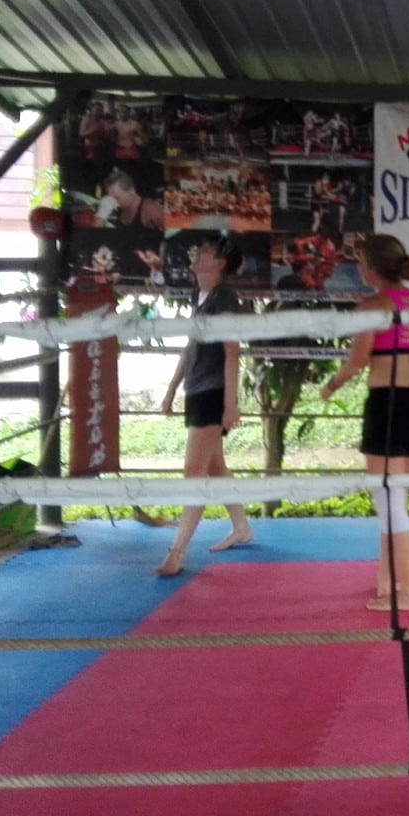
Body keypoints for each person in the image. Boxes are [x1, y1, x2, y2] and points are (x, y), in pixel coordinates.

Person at [320, 235, 409, 611]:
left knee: (389, 502)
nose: (358, 269)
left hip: (390, 405)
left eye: (359, 262)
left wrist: (331, 385)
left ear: (370, 267)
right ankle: (388, 582)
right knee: (394, 498)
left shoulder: (371, 306)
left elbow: (356, 362)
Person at [157, 236, 255, 575]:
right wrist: (171, 389)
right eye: (201, 250)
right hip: (197, 390)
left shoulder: (225, 296)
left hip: (213, 392)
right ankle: (241, 527)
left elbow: (232, 350)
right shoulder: (200, 298)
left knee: (193, 473)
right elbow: (190, 346)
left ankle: (177, 551)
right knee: (213, 467)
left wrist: (231, 404)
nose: (199, 254)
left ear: (221, 264)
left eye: (209, 252)